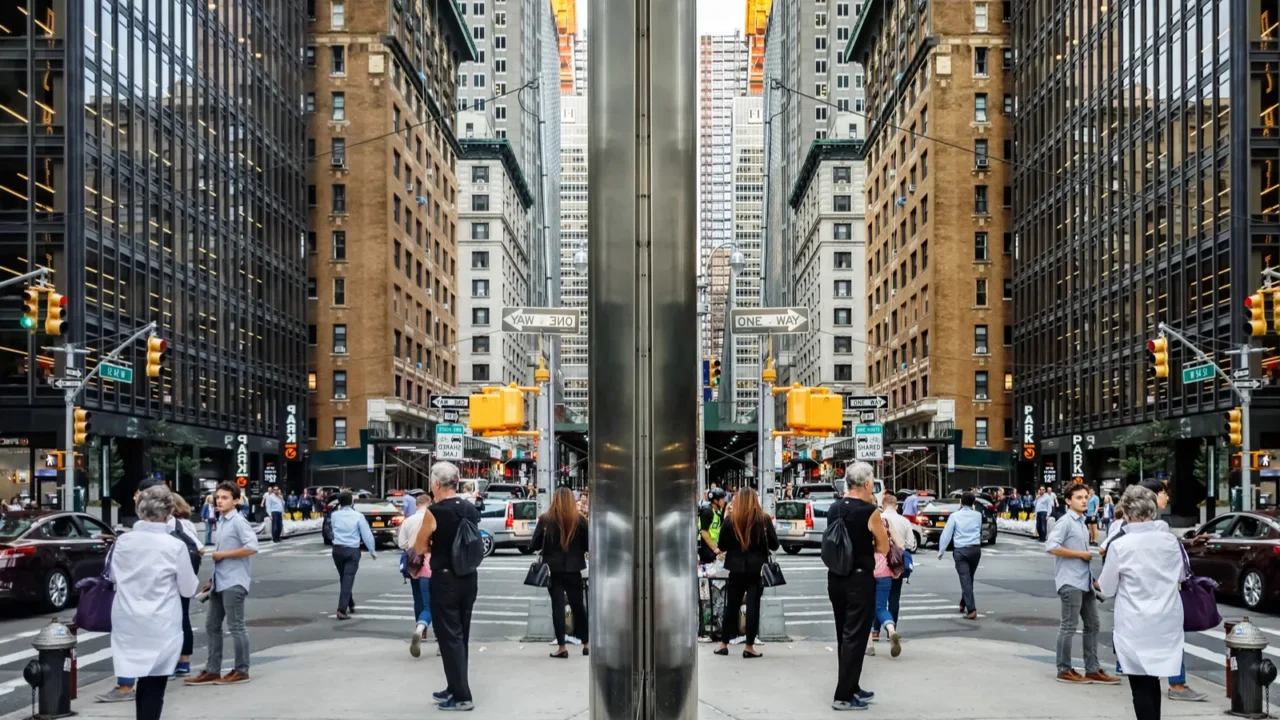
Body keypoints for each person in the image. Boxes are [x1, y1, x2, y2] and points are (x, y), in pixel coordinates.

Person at [1101, 479, 1206, 703]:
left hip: (1134, 623)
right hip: (1167, 620)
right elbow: (1180, 576)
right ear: (1152, 510)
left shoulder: (1120, 546)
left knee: (1141, 688)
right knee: (1154, 681)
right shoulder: (1170, 541)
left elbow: (1107, 588)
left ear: (1127, 513)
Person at [109, 485, 198, 720]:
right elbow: (188, 588)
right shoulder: (174, 545)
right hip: (161, 621)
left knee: (138, 675)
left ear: (140, 511)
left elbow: (113, 577)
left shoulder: (123, 541)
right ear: (168, 514)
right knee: (155, 684)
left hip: (127, 618)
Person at [414, 461, 482, 711]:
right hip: (468, 578)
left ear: (436, 484)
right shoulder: (469, 508)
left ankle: (462, 696)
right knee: (460, 635)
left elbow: (420, 546)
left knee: (448, 637)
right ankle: (454, 686)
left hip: (445, 580)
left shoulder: (435, 512)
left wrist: (435, 545)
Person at [826, 462, 888, 711]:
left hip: (835, 577)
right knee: (856, 636)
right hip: (859, 579)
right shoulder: (869, 511)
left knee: (844, 634)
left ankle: (852, 685)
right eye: (872, 481)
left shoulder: (834, 508)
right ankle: (843, 695)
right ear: (866, 484)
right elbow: (883, 547)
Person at [186, 482, 258, 686]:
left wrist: (223, 555)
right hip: (220, 581)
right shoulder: (222, 521)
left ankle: (242, 670)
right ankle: (212, 669)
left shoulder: (238, 521)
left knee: (236, 626)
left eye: (225, 497)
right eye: (218, 497)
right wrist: (212, 580)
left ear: (236, 500)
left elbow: (252, 546)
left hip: (234, 581)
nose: (219, 500)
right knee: (212, 625)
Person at [1046, 483, 1117, 685]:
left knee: (1093, 624)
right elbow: (1051, 546)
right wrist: (1079, 554)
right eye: (1079, 497)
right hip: (1070, 581)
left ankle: (1092, 668)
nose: (1084, 500)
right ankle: (1064, 669)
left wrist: (1093, 579)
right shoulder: (1066, 522)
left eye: (1086, 496)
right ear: (1068, 501)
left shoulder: (1081, 522)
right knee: (1068, 626)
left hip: (1084, 582)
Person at [714, 487, 777, 659]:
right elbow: (774, 545)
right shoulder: (763, 519)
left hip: (736, 569)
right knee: (753, 606)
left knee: (732, 606)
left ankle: (723, 644)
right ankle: (749, 646)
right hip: (757, 570)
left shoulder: (731, 520)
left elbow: (722, 545)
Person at [532, 487, 590, 659]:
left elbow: (534, 545)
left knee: (557, 606)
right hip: (574, 569)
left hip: (553, 570)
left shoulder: (545, 519)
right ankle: (586, 644)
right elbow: (587, 545)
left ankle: (562, 647)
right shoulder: (579, 520)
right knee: (578, 606)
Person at [873, 494, 916, 646]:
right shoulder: (898, 521)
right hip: (890, 567)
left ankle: (874, 632)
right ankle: (892, 629)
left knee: (875, 603)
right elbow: (908, 544)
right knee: (893, 598)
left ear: (882, 505)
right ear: (896, 506)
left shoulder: (871, 521)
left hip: (872, 569)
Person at [168, 493, 203, 679]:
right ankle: (184, 661)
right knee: (184, 615)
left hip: (174, 574)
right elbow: (199, 549)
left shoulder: (173, 525)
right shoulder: (187, 525)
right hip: (188, 572)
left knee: (173, 617)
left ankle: (172, 663)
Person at [330, 491, 377, 619]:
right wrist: (372, 551)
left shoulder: (335, 515)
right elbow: (366, 534)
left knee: (344, 578)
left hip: (337, 550)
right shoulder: (358, 516)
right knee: (348, 578)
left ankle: (349, 603)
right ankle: (341, 609)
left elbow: (333, 530)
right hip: (352, 550)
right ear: (352, 501)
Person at [937, 491, 984, 619]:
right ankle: (964, 602)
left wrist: (941, 551)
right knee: (968, 578)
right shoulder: (978, 515)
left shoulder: (955, 516)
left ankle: (972, 609)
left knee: (965, 579)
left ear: (961, 502)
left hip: (960, 551)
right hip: (975, 550)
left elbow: (947, 534)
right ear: (973, 503)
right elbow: (980, 531)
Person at [398, 492, 433, 657]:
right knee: (435, 603)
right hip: (432, 566)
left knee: (418, 598)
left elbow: (401, 543)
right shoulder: (433, 520)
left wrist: (411, 549)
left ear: (417, 505)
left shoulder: (408, 521)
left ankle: (421, 630)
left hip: (415, 564)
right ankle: (439, 636)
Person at [699, 487, 727, 565]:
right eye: (722, 499)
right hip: (704, 547)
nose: (724, 501)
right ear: (715, 501)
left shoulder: (717, 512)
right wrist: (714, 548)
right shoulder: (707, 511)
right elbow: (704, 532)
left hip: (710, 546)